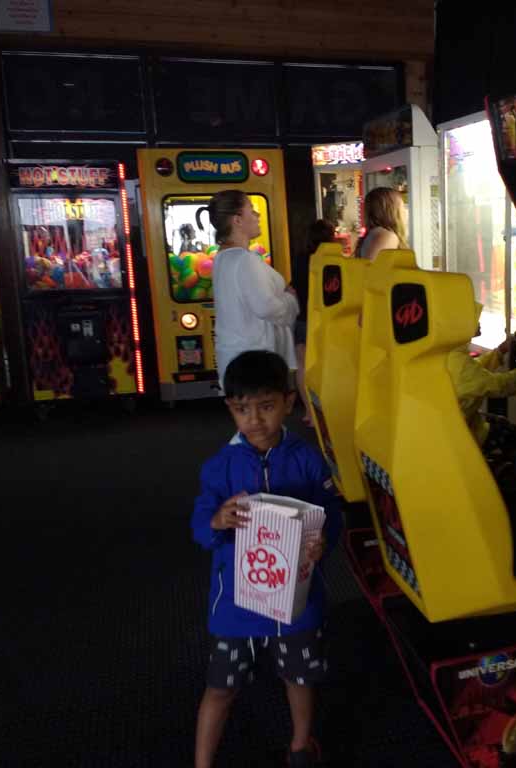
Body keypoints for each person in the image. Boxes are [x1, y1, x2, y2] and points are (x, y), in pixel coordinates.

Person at [191, 350, 342, 768]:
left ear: (289, 402)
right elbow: (200, 526)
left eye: (266, 406)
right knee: (221, 685)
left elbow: (331, 513)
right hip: (235, 605)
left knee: (299, 676)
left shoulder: (308, 459)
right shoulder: (220, 468)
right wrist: (217, 521)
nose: (254, 419)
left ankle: (300, 745)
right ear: (230, 409)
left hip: (296, 602)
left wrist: (323, 540)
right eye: (242, 409)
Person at [206, 191, 299, 386]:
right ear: (237, 220)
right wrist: (290, 299)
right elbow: (267, 307)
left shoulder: (222, 258)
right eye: (252, 210)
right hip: (256, 363)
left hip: (237, 359)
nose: (257, 215)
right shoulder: (245, 260)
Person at [446, 303, 516, 447]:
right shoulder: (458, 363)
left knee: (502, 422)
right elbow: (501, 386)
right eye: (475, 319)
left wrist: (500, 350)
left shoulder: (450, 353)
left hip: (460, 424)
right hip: (463, 437)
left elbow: (474, 370)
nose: (479, 322)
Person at [291, 219, 337, 423]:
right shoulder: (331, 260)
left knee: (302, 366)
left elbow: (293, 286)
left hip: (301, 318)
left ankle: (309, 412)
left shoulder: (300, 259)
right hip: (322, 320)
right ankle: (323, 412)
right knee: (324, 367)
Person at [358, 187, 407, 261]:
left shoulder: (375, 233)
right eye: (402, 206)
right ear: (392, 209)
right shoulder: (387, 236)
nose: (404, 211)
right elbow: (371, 266)